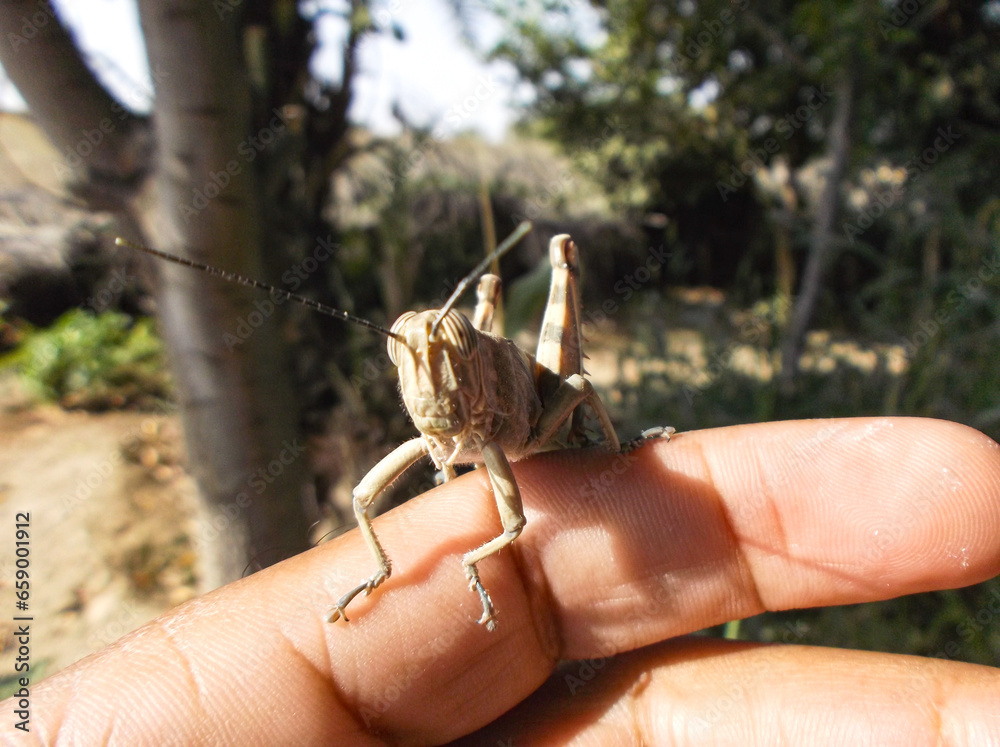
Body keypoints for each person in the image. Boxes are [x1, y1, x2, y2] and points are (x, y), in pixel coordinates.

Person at [7, 418, 1000, 743]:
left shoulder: (497, 403)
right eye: (408, 363)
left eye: (434, 358)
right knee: (369, 502)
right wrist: (381, 574)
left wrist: (491, 570)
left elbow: (515, 519)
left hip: (540, 421)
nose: (423, 383)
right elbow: (371, 505)